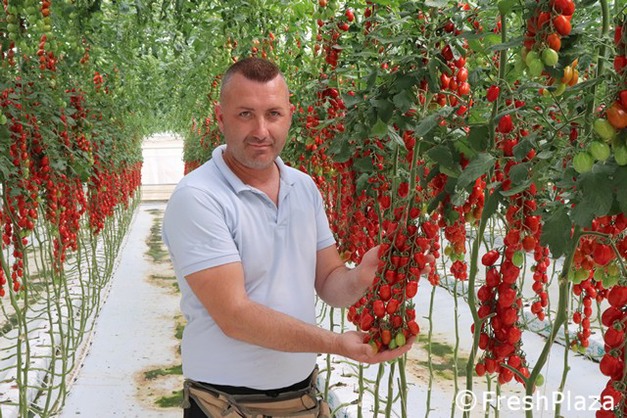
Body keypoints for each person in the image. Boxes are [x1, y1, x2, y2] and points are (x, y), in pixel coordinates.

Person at [162, 57, 415, 418]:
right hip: (224, 405)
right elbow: (234, 315)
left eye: (273, 114)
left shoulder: (303, 187)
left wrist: (362, 275)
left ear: (290, 116)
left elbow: (329, 282)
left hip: (302, 398)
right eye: (245, 114)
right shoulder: (199, 197)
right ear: (220, 118)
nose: (261, 130)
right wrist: (335, 343)